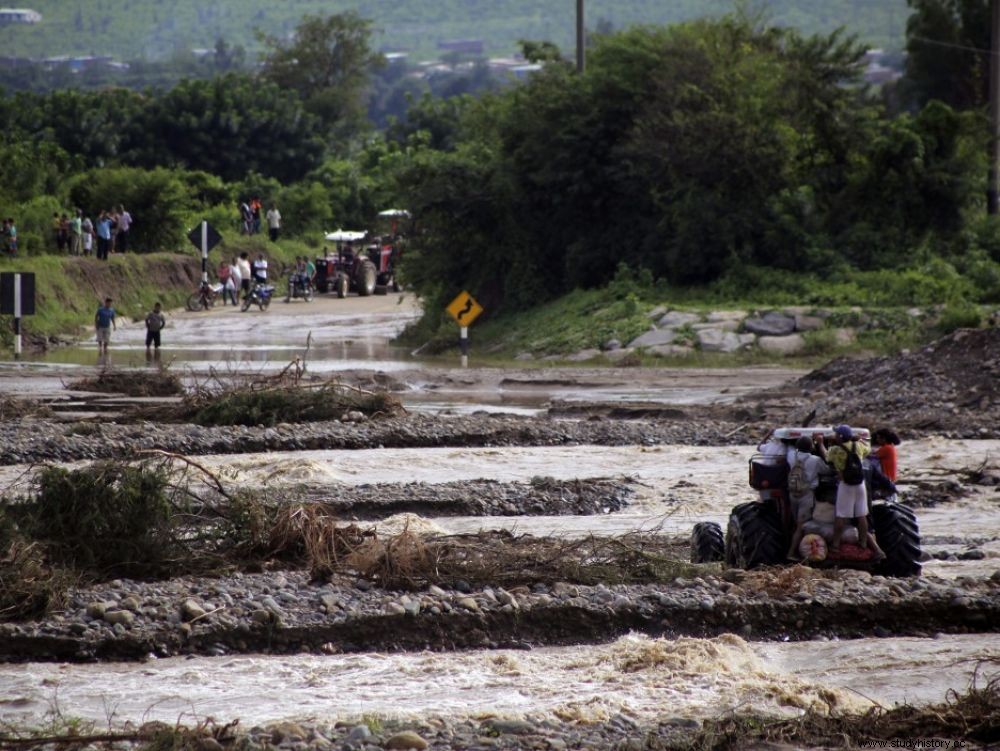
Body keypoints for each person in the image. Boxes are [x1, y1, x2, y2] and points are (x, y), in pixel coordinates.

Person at [817, 425, 886, 560]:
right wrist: (858, 440)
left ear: (839, 437)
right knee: (861, 515)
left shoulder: (836, 450)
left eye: (837, 434)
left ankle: (835, 545)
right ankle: (863, 542)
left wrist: (820, 443)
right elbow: (867, 450)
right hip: (860, 484)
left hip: (846, 484)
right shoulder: (858, 446)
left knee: (841, 515)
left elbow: (826, 456)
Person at [785, 436, 829, 560]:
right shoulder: (815, 460)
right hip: (807, 495)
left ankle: (794, 548)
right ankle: (793, 553)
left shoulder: (791, 455)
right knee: (802, 525)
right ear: (811, 447)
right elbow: (827, 470)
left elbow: (788, 448)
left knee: (795, 523)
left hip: (792, 494)